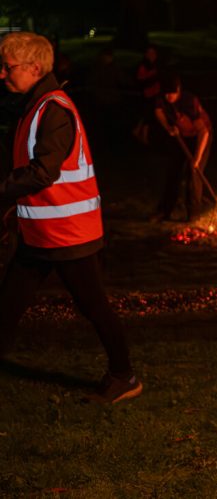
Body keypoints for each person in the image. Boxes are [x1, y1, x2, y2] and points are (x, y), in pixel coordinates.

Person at [0, 32, 142, 403]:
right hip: (44, 233)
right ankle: (123, 375)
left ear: (34, 68)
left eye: (7, 67)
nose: (2, 74)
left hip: (67, 234)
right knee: (8, 303)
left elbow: (42, 172)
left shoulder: (53, 109)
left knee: (93, 306)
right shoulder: (37, 105)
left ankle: (124, 376)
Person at [153, 73, 212, 222]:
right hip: (181, 137)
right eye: (166, 93)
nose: (168, 97)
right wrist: (168, 128)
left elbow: (203, 132)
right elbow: (158, 112)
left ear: (178, 91)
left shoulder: (189, 102)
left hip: (200, 137)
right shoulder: (163, 99)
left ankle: (193, 214)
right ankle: (164, 211)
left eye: (171, 94)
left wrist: (197, 159)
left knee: (193, 174)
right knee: (173, 172)